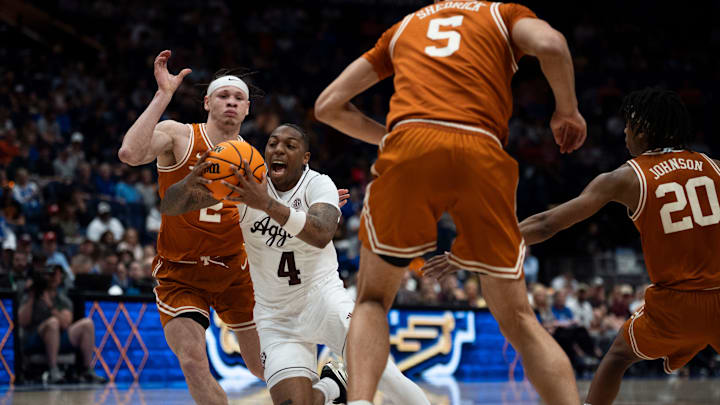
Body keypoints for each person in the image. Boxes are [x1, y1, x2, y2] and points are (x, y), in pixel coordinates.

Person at [315, 1, 586, 403]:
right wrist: (567, 110)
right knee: (519, 320)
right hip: (480, 148)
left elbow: (327, 106)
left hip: (411, 144)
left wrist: (388, 139)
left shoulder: (404, 27)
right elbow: (552, 44)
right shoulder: (503, 14)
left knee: (372, 300)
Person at [164, 124, 429, 405]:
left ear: (305, 157)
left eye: (290, 145)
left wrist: (266, 205)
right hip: (276, 317)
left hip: (324, 301)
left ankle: (340, 386)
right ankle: (334, 387)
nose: (279, 149)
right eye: (273, 143)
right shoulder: (244, 184)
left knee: (385, 376)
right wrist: (190, 180)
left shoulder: (318, 184)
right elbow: (170, 205)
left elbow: (321, 233)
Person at [516, 88, 720, 405]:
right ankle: (687, 346)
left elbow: (547, 224)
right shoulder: (716, 166)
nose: (624, 131)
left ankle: (684, 346)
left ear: (644, 130)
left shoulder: (628, 177)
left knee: (617, 357)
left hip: (675, 305)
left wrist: (484, 245)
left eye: (629, 124)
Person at [118, 50, 263, 404]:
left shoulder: (255, 159)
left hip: (235, 272)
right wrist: (162, 95)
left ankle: (328, 388)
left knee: (264, 365)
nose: (230, 102)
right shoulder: (178, 135)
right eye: (223, 96)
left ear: (246, 109)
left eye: (238, 98)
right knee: (194, 362)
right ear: (207, 103)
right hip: (180, 272)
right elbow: (130, 154)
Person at [17, 265, 106, 384]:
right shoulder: (30, 296)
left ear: (61, 278)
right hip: (35, 338)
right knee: (52, 323)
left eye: (56, 275)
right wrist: (32, 297)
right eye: (50, 274)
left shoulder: (62, 299)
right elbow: (22, 322)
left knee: (87, 324)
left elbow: (65, 324)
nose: (52, 278)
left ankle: (87, 370)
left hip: (59, 336)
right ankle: (53, 370)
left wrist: (50, 307)